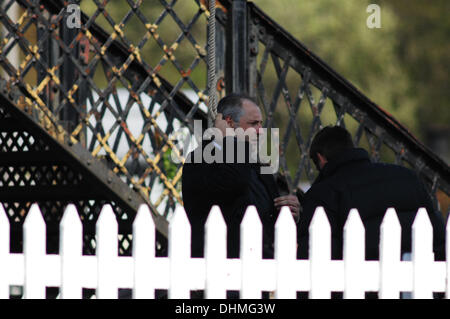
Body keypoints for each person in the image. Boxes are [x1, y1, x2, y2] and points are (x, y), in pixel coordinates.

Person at [297, 126, 446, 262]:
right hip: (418, 283)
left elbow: (316, 258)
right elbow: (437, 237)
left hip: (359, 287)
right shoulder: (407, 177)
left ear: (321, 158)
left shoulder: (323, 194)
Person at [182, 94, 300, 260]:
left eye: (260, 124)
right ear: (229, 123)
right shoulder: (200, 159)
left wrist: (289, 213)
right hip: (222, 265)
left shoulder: (257, 163)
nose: (260, 131)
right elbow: (235, 184)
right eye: (253, 124)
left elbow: (268, 213)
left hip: (260, 264)